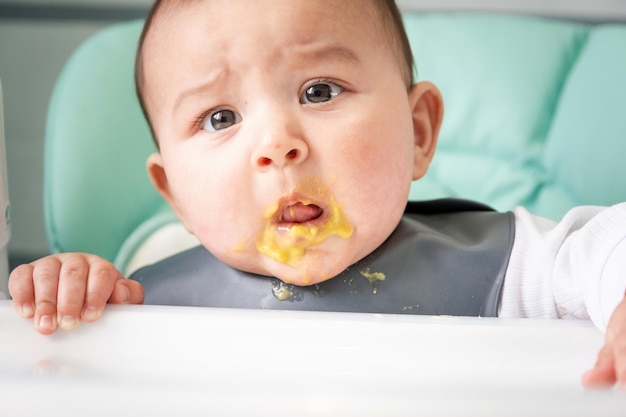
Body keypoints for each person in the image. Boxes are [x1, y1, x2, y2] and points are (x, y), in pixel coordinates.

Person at [7, 0, 626, 388]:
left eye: (319, 91)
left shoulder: (511, 266)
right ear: (176, 197)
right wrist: (75, 297)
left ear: (417, 133)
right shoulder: (147, 296)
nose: (277, 143)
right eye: (220, 118)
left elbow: (607, 247)